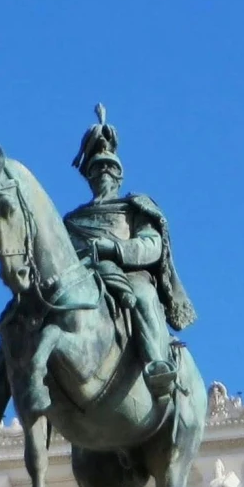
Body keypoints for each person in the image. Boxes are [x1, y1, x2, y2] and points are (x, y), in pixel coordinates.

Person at [61, 107, 194, 401]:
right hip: (83, 278)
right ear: (88, 176)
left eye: (109, 168)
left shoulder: (135, 207)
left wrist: (115, 249)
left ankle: (156, 363)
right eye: (96, 169)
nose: (103, 173)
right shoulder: (71, 221)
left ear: (119, 176)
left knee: (144, 296)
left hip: (128, 276)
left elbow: (151, 245)